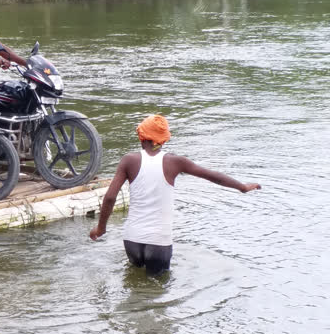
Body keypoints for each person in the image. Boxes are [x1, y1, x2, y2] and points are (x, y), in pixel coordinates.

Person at [89, 114, 261, 275]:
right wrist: (242, 187)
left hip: (132, 239)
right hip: (159, 242)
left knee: (135, 283)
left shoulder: (128, 160)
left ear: (142, 137)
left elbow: (110, 197)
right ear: (163, 139)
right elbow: (213, 176)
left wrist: (101, 228)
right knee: (158, 292)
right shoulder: (175, 162)